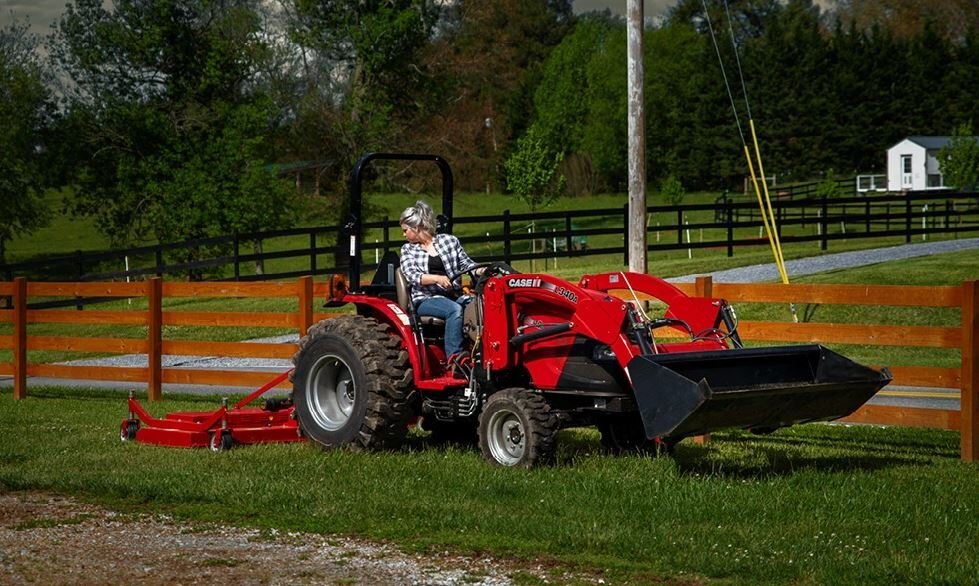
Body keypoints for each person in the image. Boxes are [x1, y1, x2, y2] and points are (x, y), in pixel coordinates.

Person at [399, 200, 480, 366]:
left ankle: (479, 351)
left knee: (479, 305)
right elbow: (412, 276)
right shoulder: (408, 250)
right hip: (425, 298)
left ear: (416, 227)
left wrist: (482, 270)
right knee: (454, 310)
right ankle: (455, 359)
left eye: (405, 230)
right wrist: (437, 279)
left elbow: (467, 265)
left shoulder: (449, 242)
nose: (404, 235)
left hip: (452, 295)